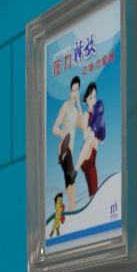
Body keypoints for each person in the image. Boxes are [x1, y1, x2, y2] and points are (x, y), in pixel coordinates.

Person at [51, 74, 86, 210]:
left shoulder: (76, 111)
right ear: (70, 91)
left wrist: (79, 105)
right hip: (64, 146)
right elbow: (54, 128)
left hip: (69, 151)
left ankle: (71, 208)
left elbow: (83, 127)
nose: (74, 93)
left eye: (77, 90)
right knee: (71, 176)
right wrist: (62, 134)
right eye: (73, 90)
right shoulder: (65, 106)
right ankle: (72, 207)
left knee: (70, 180)